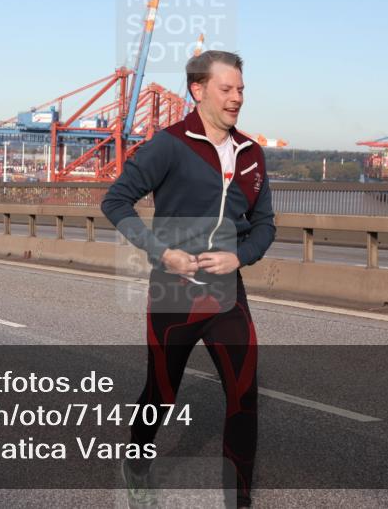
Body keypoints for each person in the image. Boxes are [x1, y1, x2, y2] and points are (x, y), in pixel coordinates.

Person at [102, 51, 275, 508]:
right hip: (173, 293)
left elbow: (265, 224)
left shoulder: (251, 154)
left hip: (226, 295)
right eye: (227, 89)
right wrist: (163, 253)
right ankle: (137, 465)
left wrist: (240, 257)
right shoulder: (170, 145)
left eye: (241, 89)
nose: (237, 98)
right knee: (161, 393)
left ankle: (238, 501)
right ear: (198, 90)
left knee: (244, 395)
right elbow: (115, 201)